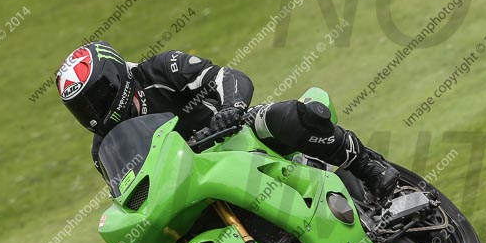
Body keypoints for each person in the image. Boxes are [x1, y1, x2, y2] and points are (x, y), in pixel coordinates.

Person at [56, 41, 399, 198]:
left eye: (96, 98)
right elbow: (131, 197)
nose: (94, 111)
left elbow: (228, 78)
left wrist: (231, 109)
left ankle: (368, 165)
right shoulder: (103, 147)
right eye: (83, 108)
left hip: (236, 136)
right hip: (192, 184)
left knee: (283, 117)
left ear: (117, 78)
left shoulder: (162, 68)